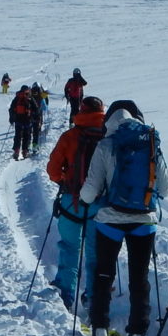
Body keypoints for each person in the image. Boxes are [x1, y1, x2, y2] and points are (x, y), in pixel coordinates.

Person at [78, 99, 168, 336]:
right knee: (139, 279)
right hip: (144, 221)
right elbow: (166, 187)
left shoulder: (106, 144)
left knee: (103, 274)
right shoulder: (150, 142)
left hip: (110, 220)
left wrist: (92, 198)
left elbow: (89, 192)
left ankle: (99, 330)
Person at [44, 95, 106, 310]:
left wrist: (65, 181)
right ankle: (93, 295)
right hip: (99, 203)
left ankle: (65, 291)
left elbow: (52, 170)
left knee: (70, 246)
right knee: (94, 250)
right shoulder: (108, 136)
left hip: (72, 201)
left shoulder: (70, 136)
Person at [8, 85, 39, 159]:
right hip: (28, 121)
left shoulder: (17, 97)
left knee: (17, 136)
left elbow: (11, 109)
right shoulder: (30, 98)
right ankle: (25, 151)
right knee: (26, 136)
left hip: (18, 120)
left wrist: (11, 118)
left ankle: (16, 151)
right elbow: (36, 109)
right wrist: (35, 117)